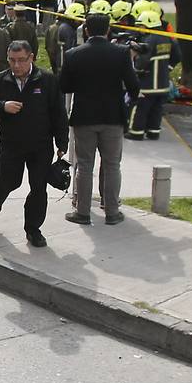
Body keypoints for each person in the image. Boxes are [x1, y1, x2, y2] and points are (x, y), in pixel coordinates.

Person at [0, 40, 69, 248]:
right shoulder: (0, 80)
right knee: (6, 183)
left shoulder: (46, 80)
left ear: (31, 58)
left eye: (21, 60)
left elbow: (58, 113)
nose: (16, 65)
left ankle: (33, 229)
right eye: (12, 60)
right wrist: (3, 106)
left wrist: (62, 141)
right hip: (11, 144)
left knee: (38, 188)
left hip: (40, 145)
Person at [58, 13, 139, 226]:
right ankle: (112, 211)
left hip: (84, 116)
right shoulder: (121, 53)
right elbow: (133, 85)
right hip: (113, 116)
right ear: (108, 30)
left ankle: (83, 211)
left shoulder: (73, 54)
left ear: (85, 30)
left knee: (84, 165)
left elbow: (64, 86)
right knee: (112, 164)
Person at [125, 8, 178, 141]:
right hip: (163, 84)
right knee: (156, 109)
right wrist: (168, 67)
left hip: (148, 84)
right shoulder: (167, 38)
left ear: (149, 24)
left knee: (139, 107)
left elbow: (143, 61)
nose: (139, 29)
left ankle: (136, 132)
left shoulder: (149, 40)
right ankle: (153, 131)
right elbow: (177, 55)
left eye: (141, 26)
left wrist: (136, 69)